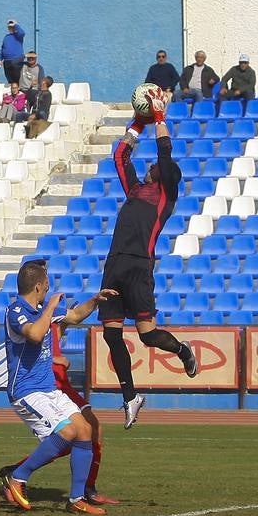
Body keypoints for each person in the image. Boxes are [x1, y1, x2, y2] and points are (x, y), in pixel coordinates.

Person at [100, 87, 198, 428]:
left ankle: (182, 350)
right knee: (111, 334)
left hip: (140, 265)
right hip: (114, 263)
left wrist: (158, 117)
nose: (154, 165)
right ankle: (130, 397)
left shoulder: (165, 192)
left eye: (159, 165)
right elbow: (119, 157)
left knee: (145, 335)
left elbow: (165, 151)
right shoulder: (136, 189)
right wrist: (137, 123)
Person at [0, 260, 118, 515]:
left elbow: (75, 315)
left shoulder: (44, 309)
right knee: (66, 433)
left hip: (49, 389)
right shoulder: (16, 310)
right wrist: (50, 308)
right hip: (26, 391)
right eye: (47, 282)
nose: (49, 286)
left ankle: (76, 499)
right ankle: (18, 475)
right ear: (40, 285)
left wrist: (95, 300)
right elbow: (34, 334)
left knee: (84, 429)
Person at [0, 19, 26, 85]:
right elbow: (3, 48)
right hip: (7, 61)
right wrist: (0, 59)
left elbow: (22, 33)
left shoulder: (18, 36)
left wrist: (16, 25)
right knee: (10, 80)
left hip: (17, 60)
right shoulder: (6, 37)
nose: (11, 28)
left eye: (12, 27)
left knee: (17, 80)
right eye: (9, 27)